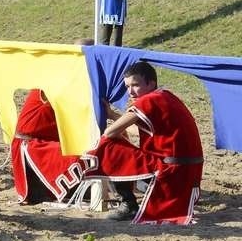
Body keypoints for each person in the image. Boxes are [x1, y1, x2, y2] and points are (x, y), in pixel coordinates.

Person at [83, 62, 204, 224]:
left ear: (151, 83)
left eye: (135, 85)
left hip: (171, 170)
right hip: (188, 171)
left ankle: (127, 204)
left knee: (109, 146)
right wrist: (112, 114)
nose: (130, 91)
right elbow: (138, 130)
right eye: (127, 86)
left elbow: (110, 133)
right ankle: (139, 189)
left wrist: (118, 136)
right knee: (119, 145)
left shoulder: (149, 100)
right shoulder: (166, 95)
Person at [11, 89, 84, 204]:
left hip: (44, 141)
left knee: (87, 153)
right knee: (78, 157)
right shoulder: (48, 87)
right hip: (31, 145)